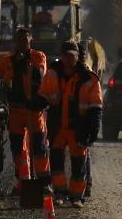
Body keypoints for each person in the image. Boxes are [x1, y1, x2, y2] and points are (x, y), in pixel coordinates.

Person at [41, 41, 105, 208]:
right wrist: (34, 104)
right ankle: (60, 193)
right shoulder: (52, 74)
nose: (69, 59)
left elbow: (96, 106)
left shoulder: (89, 79)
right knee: (56, 163)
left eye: (72, 55)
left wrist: (94, 127)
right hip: (58, 127)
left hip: (79, 129)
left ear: (78, 56)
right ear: (61, 57)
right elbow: (43, 95)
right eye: (66, 55)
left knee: (79, 164)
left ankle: (77, 197)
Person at [0, 28, 51, 199]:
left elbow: (39, 75)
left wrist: (23, 63)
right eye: (19, 40)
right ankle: (23, 182)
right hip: (16, 110)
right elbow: (0, 81)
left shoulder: (38, 57)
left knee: (39, 148)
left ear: (30, 41)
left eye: (25, 40)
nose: (22, 44)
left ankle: (43, 183)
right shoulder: (7, 61)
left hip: (34, 110)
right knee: (17, 149)